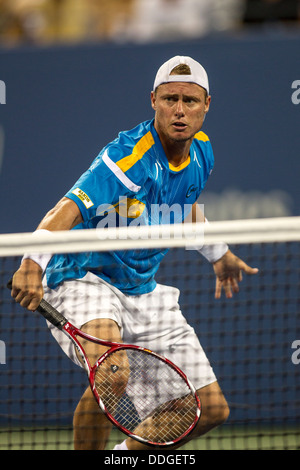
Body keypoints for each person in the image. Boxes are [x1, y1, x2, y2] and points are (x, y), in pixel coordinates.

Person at [10, 55, 259, 450]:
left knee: (208, 410)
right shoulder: (126, 157)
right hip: (84, 278)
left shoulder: (202, 154)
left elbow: (180, 212)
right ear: (153, 101)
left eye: (190, 101)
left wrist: (219, 253)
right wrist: (30, 263)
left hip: (143, 289)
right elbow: (66, 209)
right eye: (170, 99)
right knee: (111, 375)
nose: (179, 110)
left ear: (207, 105)